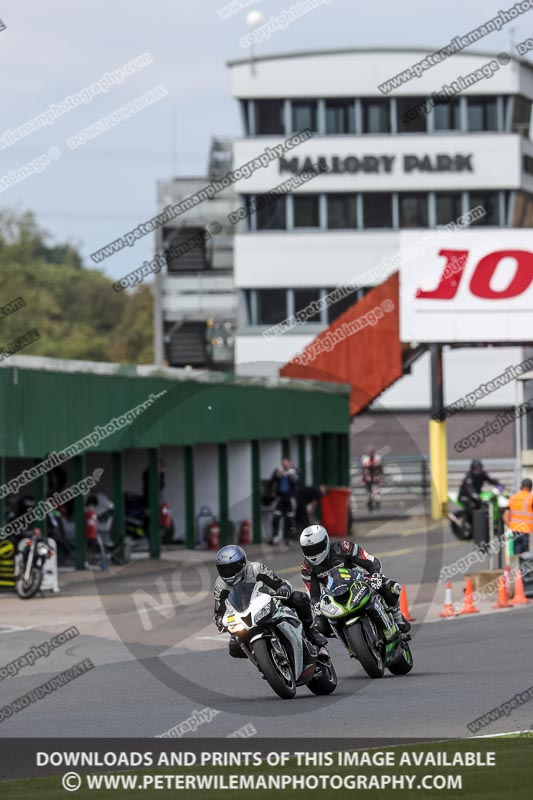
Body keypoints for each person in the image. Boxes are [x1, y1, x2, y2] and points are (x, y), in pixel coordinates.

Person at [213, 544, 327, 657]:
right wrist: (219, 620)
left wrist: (283, 590)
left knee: (299, 598)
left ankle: (311, 633)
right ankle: (260, 658)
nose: (228, 572)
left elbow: (279, 583)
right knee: (234, 648)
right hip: (244, 616)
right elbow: (219, 610)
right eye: (224, 569)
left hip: (269, 603)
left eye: (232, 568)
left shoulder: (256, 569)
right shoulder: (220, 584)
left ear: (242, 563)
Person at [299, 524, 411, 634]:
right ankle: (346, 637)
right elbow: (313, 594)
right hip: (333, 594)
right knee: (320, 624)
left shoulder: (342, 547)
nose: (313, 553)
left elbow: (370, 561)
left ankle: (397, 616)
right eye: (308, 550)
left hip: (359, 581)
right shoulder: (307, 568)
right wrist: (316, 605)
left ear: (325, 541)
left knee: (391, 587)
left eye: (316, 548)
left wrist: (376, 575)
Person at [458, 459, 500, 526]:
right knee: (472, 506)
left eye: (479, 468)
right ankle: (470, 523)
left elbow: (490, 480)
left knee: (484, 504)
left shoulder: (482, 474)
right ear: (472, 468)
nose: (478, 470)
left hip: (478, 494)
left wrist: (499, 485)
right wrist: (475, 495)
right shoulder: (469, 477)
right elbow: (469, 489)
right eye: (476, 468)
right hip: (465, 495)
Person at [270, 457, 300, 544]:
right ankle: (275, 536)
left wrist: (289, 474)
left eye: (286, 463)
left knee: (290, 518)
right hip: (280, 497)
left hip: (289, 497)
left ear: (289, 463)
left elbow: (297, 480)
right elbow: (272, 479)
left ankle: (290, 537)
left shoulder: (293, 471)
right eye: (283, 463)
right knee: (276, 516)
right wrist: (278, 474)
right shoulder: (278, 471)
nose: (284, 465)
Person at [503, 478, 533, 555]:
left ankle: (518, 562)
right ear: (530, 487)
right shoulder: (531, 498)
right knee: (526, 554)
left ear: (521, 486)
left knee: (517, 552)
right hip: (526, 530)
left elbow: (505, 515)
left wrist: (510, 525)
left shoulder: (513, 497)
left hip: (515, 529)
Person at [360, 446, 383, 511]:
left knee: (376, 492)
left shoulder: (378, 458)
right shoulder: (365, 459)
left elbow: (380, 469)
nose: (371, 453)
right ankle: (370, 506)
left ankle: (377, 505)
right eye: (370, 451)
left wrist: (381, 478)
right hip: (368, 478)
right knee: (368, 493)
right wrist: (362, 479)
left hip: (375, 478)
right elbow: (363, 470)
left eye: (372, 451)